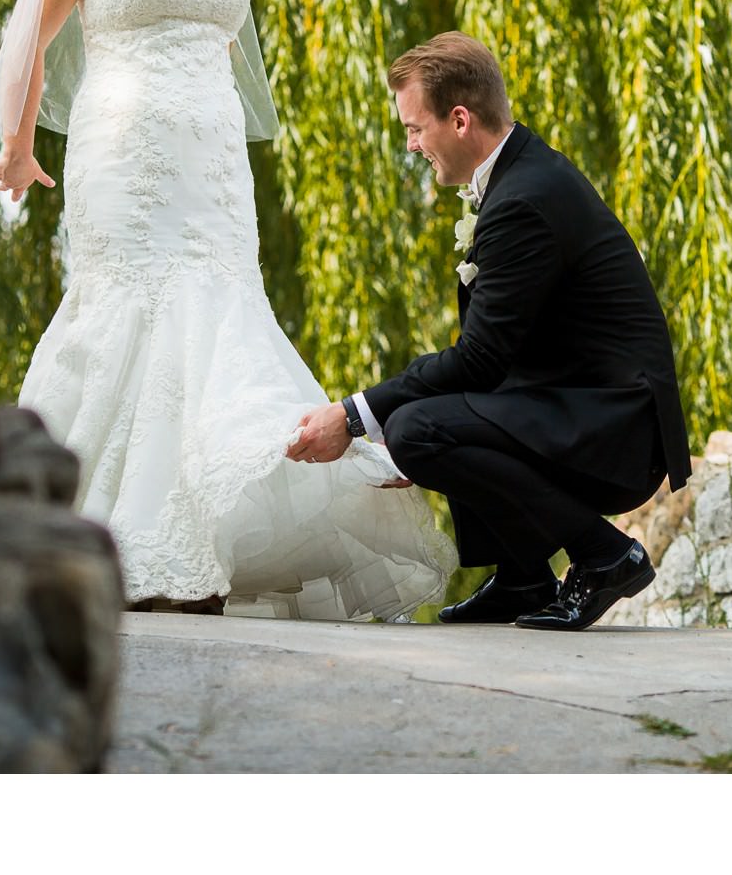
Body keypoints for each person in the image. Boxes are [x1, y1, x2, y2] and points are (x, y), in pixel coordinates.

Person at [0, 0, 453, 619]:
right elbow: (32, 42)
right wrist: (18, 150)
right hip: (123, 157)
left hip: (212, 166)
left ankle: (201, 534)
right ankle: (75, 531)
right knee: (126, 311)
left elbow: (225, 61)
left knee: (219, 313)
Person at [287, 32, 692, 630]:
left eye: (414, 128)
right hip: (583, 403)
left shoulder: (522, 200)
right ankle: (524, 578)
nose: (411, 145)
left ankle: (604, 554)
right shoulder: (522, 176)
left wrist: (353, 416)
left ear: (458, 119)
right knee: (432, 419)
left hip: (616, 428)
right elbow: (498, 357)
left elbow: (477, 361)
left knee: (418, 429)